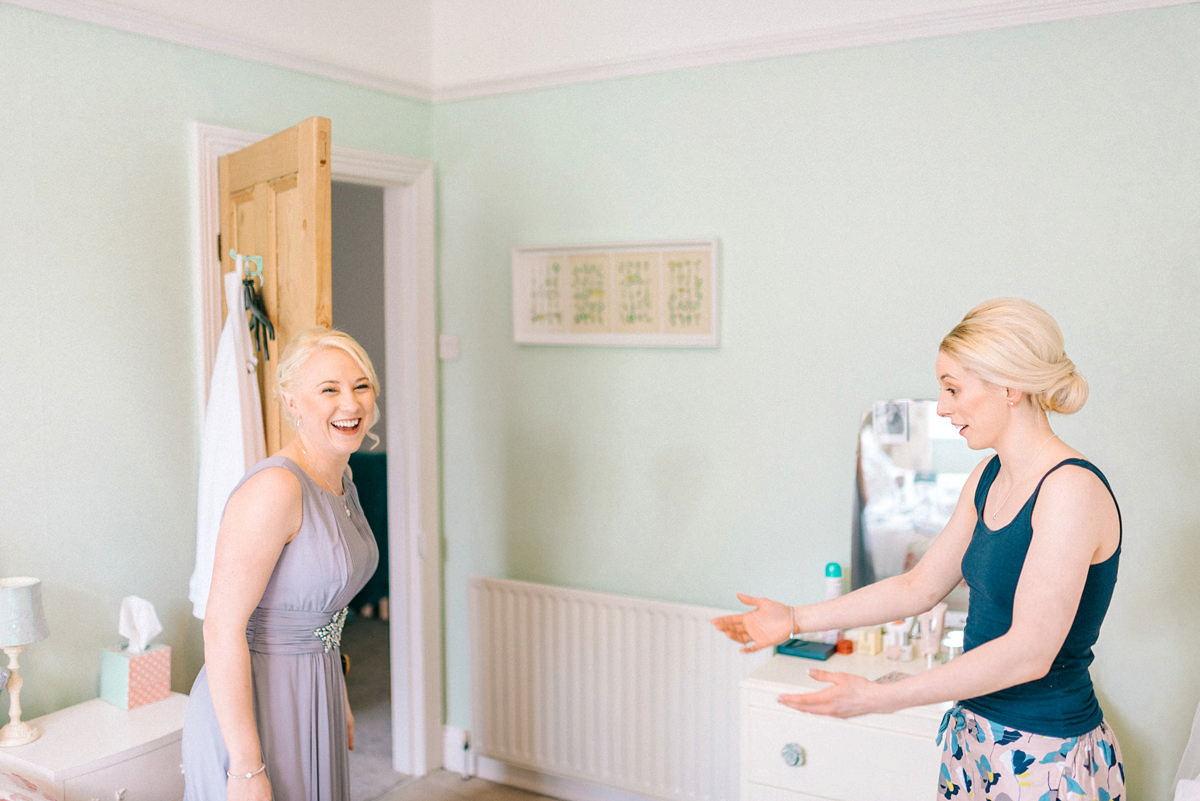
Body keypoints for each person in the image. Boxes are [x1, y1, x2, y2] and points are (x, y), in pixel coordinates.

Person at [713, 298, 1124, 799]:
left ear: (1010, 387)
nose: (944, 407)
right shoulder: (989, 476)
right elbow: (918, 586)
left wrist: (883, 697)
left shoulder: (1069, 490)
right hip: (974, 736)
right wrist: (795, 619)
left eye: (953, 389)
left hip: (1045, 754)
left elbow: (1029, 653)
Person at [183, 327, 382, 801]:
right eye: (328, 390)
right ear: (292, 402)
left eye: (360, 386)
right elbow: (221, 627)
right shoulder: (276, 489)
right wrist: (246, 769)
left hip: (317, 689)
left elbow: (321, 607)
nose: (350, 404)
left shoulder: (342, 478)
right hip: (257, 703)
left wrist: (339, 695)